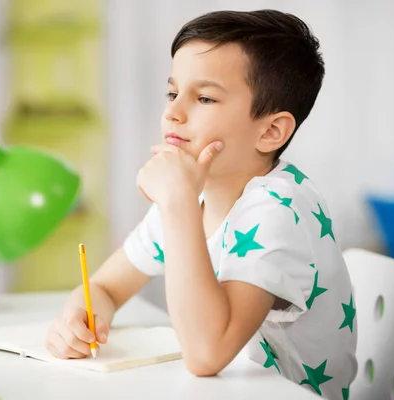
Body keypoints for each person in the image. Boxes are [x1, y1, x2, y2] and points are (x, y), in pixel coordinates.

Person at [46, 9, 357, 399]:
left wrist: (176, 204)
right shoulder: (192, 193)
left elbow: (206, 354)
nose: (172, 112)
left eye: (204, 97)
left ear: (271, 131)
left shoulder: (279, 208)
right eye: (173, 93)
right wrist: (79, 318)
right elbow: (106, 287)